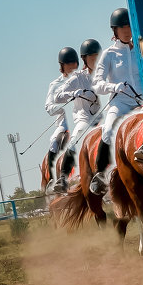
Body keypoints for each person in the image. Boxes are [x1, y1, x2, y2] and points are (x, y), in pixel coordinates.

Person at [89, 8, 142, 195]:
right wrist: (113, 87)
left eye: (129, 26)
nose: (127, 30)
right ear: (115, 31)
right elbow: (97, 84)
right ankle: (100, 173)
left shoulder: (141, 50)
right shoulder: (109, 54)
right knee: (109, 128)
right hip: (120, 102)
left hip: (142, 102)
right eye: (122, 27)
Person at [51, 39, 102, 192]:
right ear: (84, 59)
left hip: (102, 117)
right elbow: (57, 97)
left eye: (97, 57)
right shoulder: (78, 78)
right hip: (84, 118)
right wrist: (73, 93)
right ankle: (63, 178)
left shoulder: (105, 73)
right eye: (91, 58)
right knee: (77, 136)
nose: (95, 61)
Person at [44, 47, 79, 187]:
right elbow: (48, 107)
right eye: (68, 64)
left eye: (74, 63)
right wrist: (63, 107)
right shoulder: (55, 85)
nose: (72, 66)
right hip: (64, 124)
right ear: (62, 66)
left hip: (83, 119)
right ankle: (53, 178)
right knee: (54, 141)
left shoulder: (83, 78)